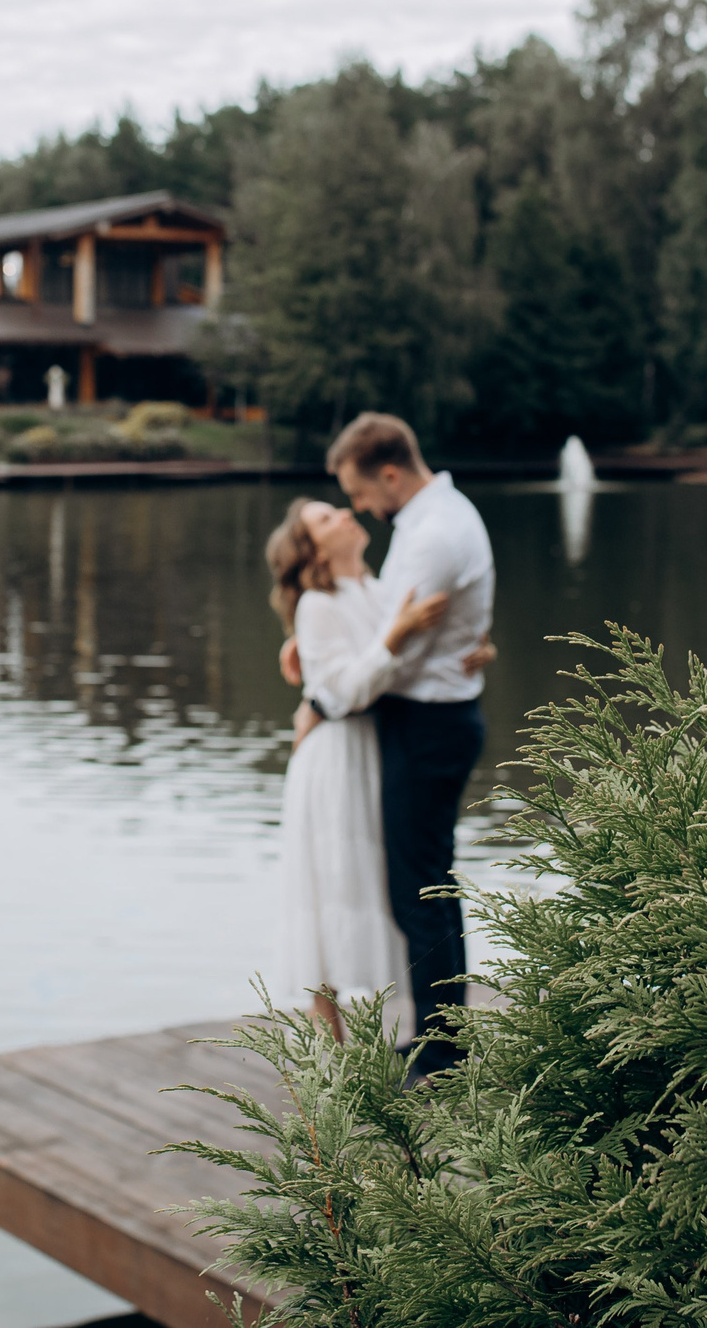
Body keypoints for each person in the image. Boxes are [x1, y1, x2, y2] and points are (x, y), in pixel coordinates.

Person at [289, 412, 496, 1072]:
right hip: (426, 718)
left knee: (421, 889)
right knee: (427, 882)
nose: (358, 507)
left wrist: (322, 698)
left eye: (356, 492)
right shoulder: (432, 522)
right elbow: (386, 632)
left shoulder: (432, 533)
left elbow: (397, 652)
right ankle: (442, 1032)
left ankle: (441, 1048)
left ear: (388, 472)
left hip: (427, 724)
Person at [264, 497, 451, 1042]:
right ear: (311, 549)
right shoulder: (317, 604)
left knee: (373, 888)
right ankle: (332, 1063)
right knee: (328, 891)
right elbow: (343, 691)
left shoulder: (377, 591)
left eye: (339, 509)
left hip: (376, 751)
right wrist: (394, 638)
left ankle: (387, 1048)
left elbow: (396, 667)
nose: (345, 514)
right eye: (325, 519)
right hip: (335, 761)